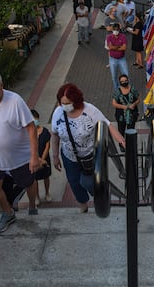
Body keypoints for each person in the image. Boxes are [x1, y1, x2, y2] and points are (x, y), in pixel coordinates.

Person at [0, 69, 41, 233]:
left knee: (29, 183)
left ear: (1, 86)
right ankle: (8, 212)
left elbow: (31, 128)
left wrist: (34, 156)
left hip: (19, 158)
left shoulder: (15, 101)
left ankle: (32, 205)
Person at [52, 83, 125, 213]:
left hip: (89, 155)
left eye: (68, 103)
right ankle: (83, 203)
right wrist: (55, 156)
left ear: (76, 100)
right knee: (74, 182)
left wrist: (121, 141)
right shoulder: (58, 112)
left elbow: (107, 125)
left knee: (89, 182)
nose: (65, 106)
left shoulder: (90, 110)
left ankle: (100, 196)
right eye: (62, 103)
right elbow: (55, 134)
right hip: (69, 156)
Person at [112, 74, 140, 151]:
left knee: (131, 130)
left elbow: (138, 99)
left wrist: (134, 104)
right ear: (119, 82)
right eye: (122, 81)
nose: (124, 82)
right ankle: (122, 145)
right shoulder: (117, 92)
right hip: (121, 115)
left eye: (126, 81)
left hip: (132, 114)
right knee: (121, 130)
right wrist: (125, 107)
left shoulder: (133, 89)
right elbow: (114, 103)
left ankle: (131, 145)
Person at [31, 109, 52, 203]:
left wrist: (43, 159)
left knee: (46, 177)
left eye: (35, 119)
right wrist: (38, 159)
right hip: (33, 159)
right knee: (34, 179)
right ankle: (37, 197)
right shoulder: (27, 133)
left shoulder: (45, 132)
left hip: (45, 159)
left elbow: (47, 146)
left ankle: (47, 193)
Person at [106, 23, 129, 89]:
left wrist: (114, 47)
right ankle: (116, 89)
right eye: (114, 29)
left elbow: (124, 48)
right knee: (114, 76)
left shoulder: (123, 36)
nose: (115, 31)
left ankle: (127, 88)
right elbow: (110, 47)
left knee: (126, 74)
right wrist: (119, 46)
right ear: (112, 30)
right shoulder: (109, 37)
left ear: (119, 29)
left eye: (117, 29)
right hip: (112, 59)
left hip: (122, 59)